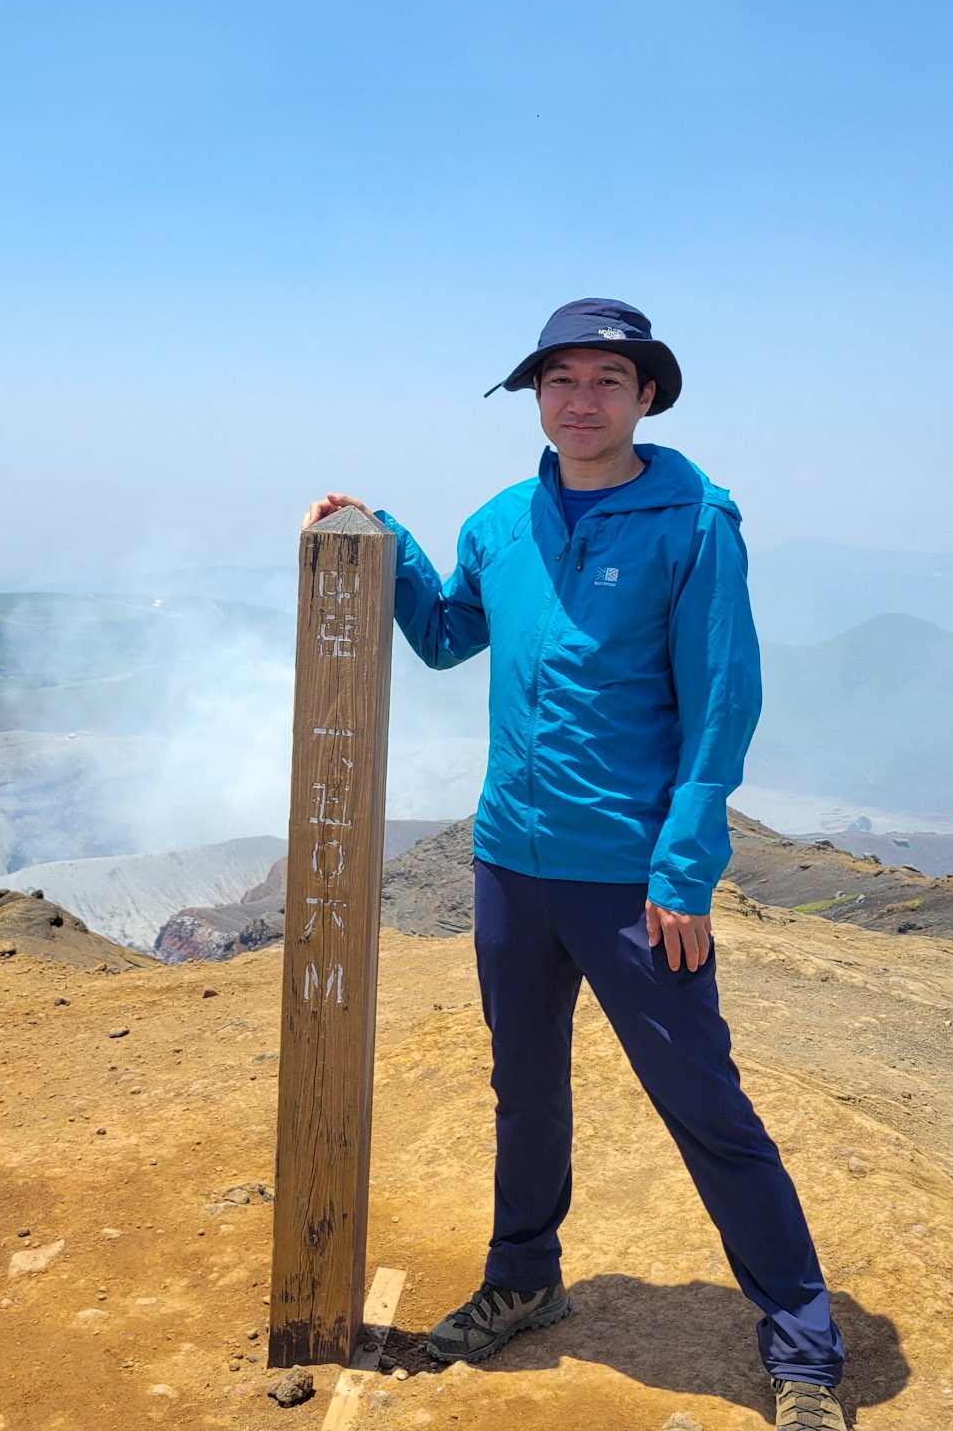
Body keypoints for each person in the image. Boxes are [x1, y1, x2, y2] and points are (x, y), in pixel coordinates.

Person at [303, 299, 848, 1431]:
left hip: (630, 877)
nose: (580, 401)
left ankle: (803, 1352)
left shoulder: (694, 522)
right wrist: (380, 535)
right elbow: (445, 637)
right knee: (524, 1086)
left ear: (646, 395)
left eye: (606, 380)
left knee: (702, 1103)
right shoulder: (501, 522)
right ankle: (523, 1278)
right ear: (536, 397)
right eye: (560, 380)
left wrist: (684, 871)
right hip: (509, 860)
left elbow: (722, 703)